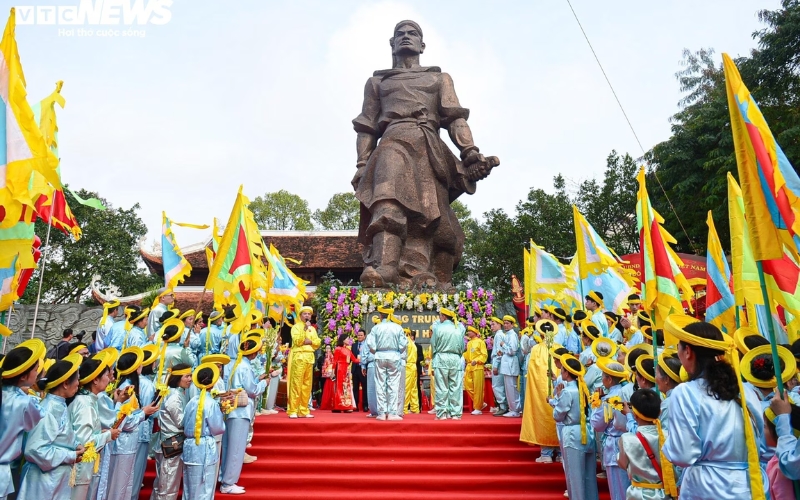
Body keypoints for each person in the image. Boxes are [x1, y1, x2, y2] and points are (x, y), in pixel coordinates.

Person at [352, 20, 498, 289]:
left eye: (413, 34)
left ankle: (437, 281)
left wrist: (470, 152)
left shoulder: (438, 79)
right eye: (400, 34)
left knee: (441, 228)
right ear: (392, 43)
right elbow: (367, 127)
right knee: (387, 200)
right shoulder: (378, 82)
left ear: (422, 45)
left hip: (430, 149)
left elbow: (454, 118)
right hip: (392, 142)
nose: (406, 37)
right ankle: (385, 268)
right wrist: (363, 164)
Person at [662, 314, 766, 500]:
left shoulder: (685, 392)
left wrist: (667, 443)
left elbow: (683, 454)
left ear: (688, 352)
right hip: (748, 484)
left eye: (678, 347)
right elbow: (761, 444)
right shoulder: (745, 391)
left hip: (706, 487)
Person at [17, 355, 84, 500]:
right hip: (43, 482)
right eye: (77, 379)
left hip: (55, 480)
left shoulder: (59, 404)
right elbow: (34, 450)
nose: (79, 383)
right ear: (66, 383)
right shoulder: (47, 410)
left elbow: (61, 435)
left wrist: (76, 445)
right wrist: (70, 455)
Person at [106, 347, 158, 500]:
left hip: (128, 440)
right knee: (124, 482)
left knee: (126, 481)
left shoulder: (125, 385)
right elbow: (124, 420)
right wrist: (144, 412)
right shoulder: (128, 388)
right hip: (126, 440)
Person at [69, 353, 122, 500]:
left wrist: (101, 432)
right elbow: (85, 442)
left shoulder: (89, 400)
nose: (110, 378)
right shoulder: (84, 403)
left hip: (85, 467)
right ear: (95, 380)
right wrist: (107, 435)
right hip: (79, 469)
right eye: (106, 375)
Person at [0, 340, 46, 500]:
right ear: (23, 376)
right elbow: (34, 419)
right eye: (35, 370)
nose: (37, 373)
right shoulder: (25, 402)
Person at [221, 338, 267, 494]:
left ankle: (224, 478)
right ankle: (228, 483)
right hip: (240, 411)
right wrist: (264, 383)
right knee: (236, 448)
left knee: (230, 447)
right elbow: (252, 390)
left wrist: (257, 380)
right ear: (253, 353)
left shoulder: (238, 365)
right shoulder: (244, 367)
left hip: (233, 411)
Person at [553, 354, 598, 500]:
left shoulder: (567, 391)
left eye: (563, 370)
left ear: (567, 372)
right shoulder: (584, 390)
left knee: (575, 476)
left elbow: (558, 415)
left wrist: (556, 398)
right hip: (587, 431)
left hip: (572, 432)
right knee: (589, 475)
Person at [183, 363, 226, 500]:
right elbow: (218, 427)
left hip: (190, 445)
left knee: (189, 487)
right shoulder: (211, 403)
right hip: (205, 446)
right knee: (204, 486)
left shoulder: (191, 402)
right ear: (212, 384)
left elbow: (184, 423)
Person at [590, 358, 630, 500]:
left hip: (615, 446)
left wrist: (596, 403)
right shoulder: (627, 390)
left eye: (603, 377)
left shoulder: (610, 398)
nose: (602, 380)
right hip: (629, 444)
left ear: (609, 379)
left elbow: (597, 424)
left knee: (618, 490)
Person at [617, 388, 668, 499]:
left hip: (637, 494)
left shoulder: (626, 439)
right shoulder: (667, 436)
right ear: (659, 412)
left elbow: (622, 463)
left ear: (635, 415)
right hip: (664, 493)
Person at [520, 320, 559, 462]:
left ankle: (546, 452)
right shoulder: (560, 348)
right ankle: (560, 452)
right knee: (558, 415)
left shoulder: (536, 349)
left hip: (540, 389)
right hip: (558, 387)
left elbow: (531, 371)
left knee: (544, 416)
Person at [150, 363, 191, 500]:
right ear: (178, 378)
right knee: (168, 483)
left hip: (166, 442)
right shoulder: (174, 397)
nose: (190, 379)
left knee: (162, 482)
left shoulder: (175, 393)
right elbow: (181, 422)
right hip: (171, 444)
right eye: (187, 376)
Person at [368, 305, 407, 420]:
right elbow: (403, 344)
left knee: (380, 384)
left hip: (380, 355)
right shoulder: (397, 328)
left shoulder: (376, 328)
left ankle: (381, 413)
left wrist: (376, 350)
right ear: (390, 315)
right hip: (394, 356)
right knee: (393, 384)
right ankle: (392, 413)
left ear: (380, 315)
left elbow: (370, 343)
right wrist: (397, 350)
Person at [430, 309, 465, 420]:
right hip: (455, 358)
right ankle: (455, 413)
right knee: (455, 387)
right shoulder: (458, 328)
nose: (439, 318)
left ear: (444, 316)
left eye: (440, 315)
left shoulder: (438, 328)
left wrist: (435, 355)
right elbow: (462, 346)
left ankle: (442, 413)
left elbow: (433, 344)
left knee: (441, 387)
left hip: (441, 358)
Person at [287, 306, 321, 419]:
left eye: (309, 314)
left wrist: (309, 341)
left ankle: (303, 409)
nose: (307, 316)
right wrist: (305, 331)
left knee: (307, 385)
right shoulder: (296, 327)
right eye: (305, 314)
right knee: (296, 384)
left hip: (309, 357)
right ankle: (293, 409)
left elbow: (317, 343)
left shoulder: (313, 329)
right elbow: (298, 341)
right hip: (299, 357)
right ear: (301, 315)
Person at [498, 315, 521, 418]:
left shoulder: (512, 335)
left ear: (512, 325)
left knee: (512, 388)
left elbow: (512, 350)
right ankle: (512, 408)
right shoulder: (507, 335)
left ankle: (515, 409)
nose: (505, 325)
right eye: (505, 323)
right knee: (509, 388)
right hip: (507, 364)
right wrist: (502, 351)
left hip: (511, 364)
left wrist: (503, 345)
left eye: (508, 323)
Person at [464, 326, 487, 415]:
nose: (468, 333)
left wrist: (477, 360)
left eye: (470, 331)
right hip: (469, 366)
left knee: (478, 388)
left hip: (478, 366)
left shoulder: (480, 342)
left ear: (474, 332)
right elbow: (467, 354)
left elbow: (484, 355)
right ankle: (480, 403)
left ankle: (478, 407)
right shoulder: (469, 343)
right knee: (467, 385)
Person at [333, 334, 359, 412]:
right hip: (340, 369)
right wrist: (332, 372)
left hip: (347, 370)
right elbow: (335, 361)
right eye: (347, 339)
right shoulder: (338, 349)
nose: (349, 340)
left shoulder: (348, 350)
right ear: (343, 340)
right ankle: (339, 406)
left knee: (346, 388)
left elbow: (354, 360)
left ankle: (346, 405)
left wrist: (364, 359)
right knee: (340, 387)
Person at [488, 317, 507, 415]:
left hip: (497, 360)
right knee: (500, 385)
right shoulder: (500, 335)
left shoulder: (499, 335)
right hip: (499, 360)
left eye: (493, 324)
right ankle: (503, 405)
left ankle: (503, 406)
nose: (491, 327)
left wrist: (495, 365)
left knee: (497, 385)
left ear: (499, 324)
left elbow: (499, 352)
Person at [360, 326, 378, 418]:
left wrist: (363, 365)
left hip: (373, 363)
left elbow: (365, 351)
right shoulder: (389, 331)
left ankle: (375, 411)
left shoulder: (371, 335)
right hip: (386, 363)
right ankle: (386, 410)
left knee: (372, 389)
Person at [403, 329, 420, 414]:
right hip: (413, 366)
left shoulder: (406, 342)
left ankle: (404, 408)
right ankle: (415, 408)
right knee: (414, 388)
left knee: (406, 388)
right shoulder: (412, 343)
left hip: (408, 366)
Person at [352, 330, 369, 412]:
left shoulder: (367, 345)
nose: (359, 337)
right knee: (355, 388)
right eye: (358, 335)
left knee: (365, 387)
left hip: (364, 369)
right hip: (355, 368)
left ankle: (365, 405)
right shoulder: (354, 345)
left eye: (361, 335)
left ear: (364, 336)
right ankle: (355, 405)